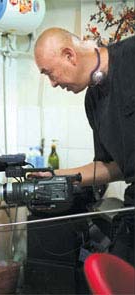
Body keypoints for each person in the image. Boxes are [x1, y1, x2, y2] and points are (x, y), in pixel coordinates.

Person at [34, 28, 134, 264]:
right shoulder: (93, 100)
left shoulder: (131, 56)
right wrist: (56, 176)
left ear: (69, 55)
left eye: (50, 73)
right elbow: (112, 167)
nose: (52, 83)